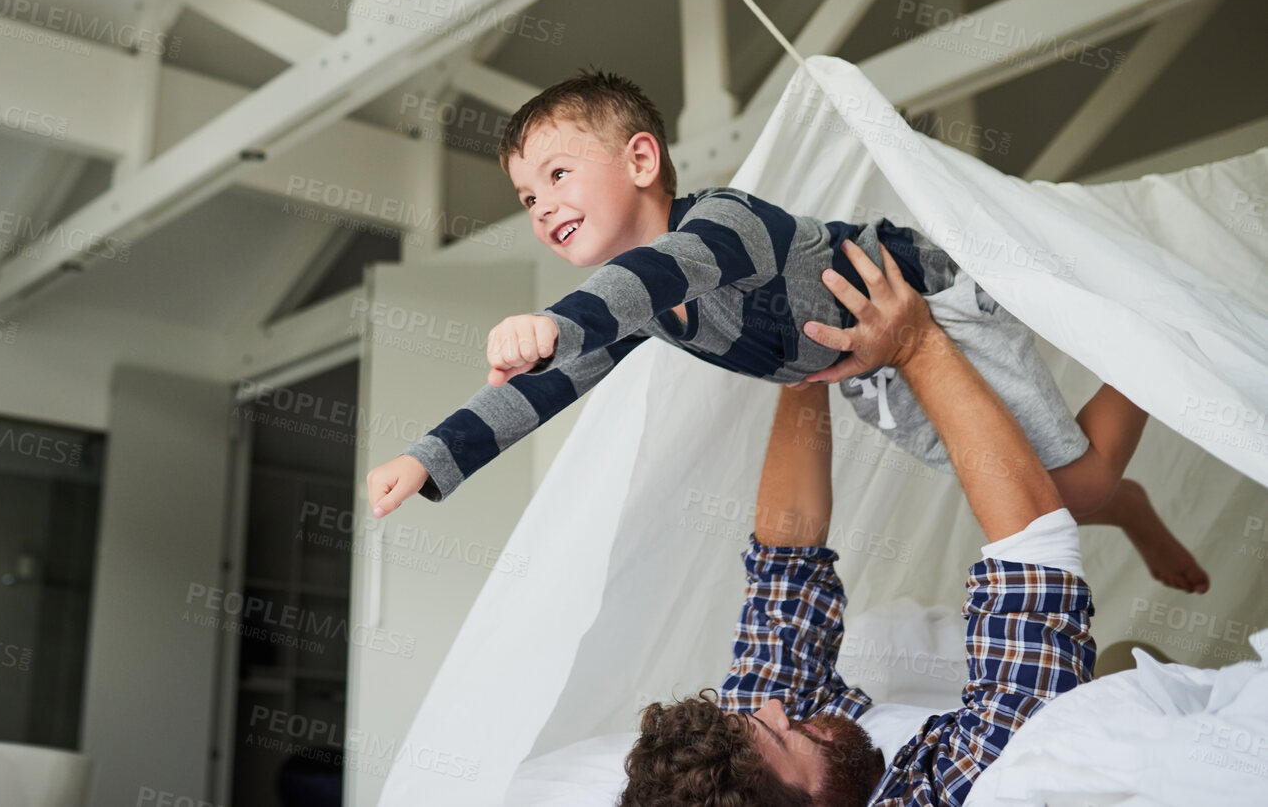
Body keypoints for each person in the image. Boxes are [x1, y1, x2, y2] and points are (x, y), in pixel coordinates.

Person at [365, 70, 1207, 592]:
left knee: (1070, 491)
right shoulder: (638, 308)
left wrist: (550, 321)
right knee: (1018, 485)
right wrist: (428, 458)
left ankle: (1151, 355)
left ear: (641, 161)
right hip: (870, 369)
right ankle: (1123, 502)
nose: (542, 203)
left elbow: (649, 277)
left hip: (923, 305)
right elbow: (546, 385)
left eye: (556, 174)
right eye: (526, 197)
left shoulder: (726, 225)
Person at [620, 240, 1096, 807]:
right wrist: (916, 345)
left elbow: (785, 573)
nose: (776, 710)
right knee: (1084, 488)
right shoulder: (975, 789)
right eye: (781, 734)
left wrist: (806, 362)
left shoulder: (754, 746)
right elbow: (1035, 560)